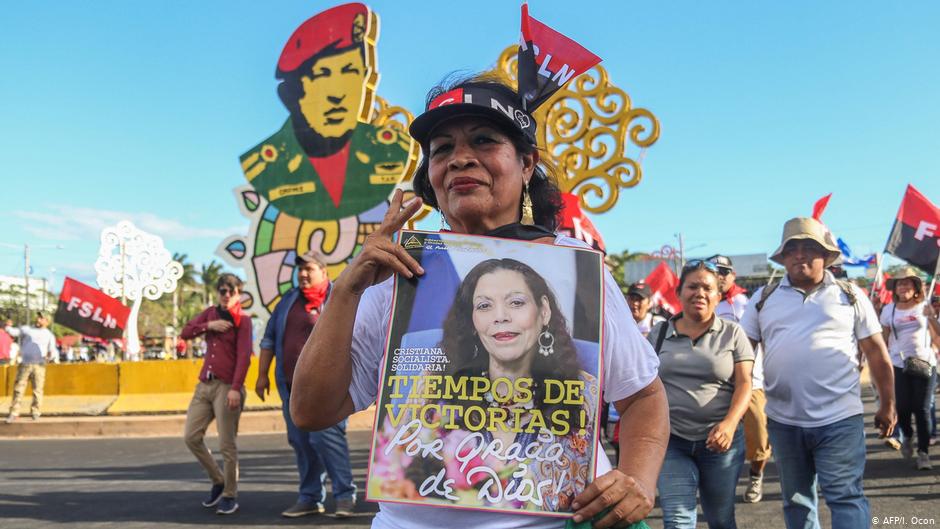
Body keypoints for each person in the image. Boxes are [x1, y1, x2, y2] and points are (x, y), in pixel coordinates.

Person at [289, 75, 669, 529]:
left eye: (484, 141)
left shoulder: (578, 271)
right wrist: (347, 290)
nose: (459, 159)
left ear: (526, 165)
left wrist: (638, 481)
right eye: (441, 149)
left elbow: (644, 396)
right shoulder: (396, 277)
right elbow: (311, 412)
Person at [740, 217, 896, 529]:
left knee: (845, 497)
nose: (800, 255)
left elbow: (877, 352)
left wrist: (888, 404)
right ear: (783, 257)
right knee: (797, 503)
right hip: (785, 422)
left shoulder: (850, 294)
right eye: (792, 249)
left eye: (810, 248)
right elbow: (743, 355)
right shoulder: (763, 299)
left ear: (825, 256)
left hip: (840, 420)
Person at [239, 3, 411, 222]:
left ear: (366, 78)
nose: (337, 94)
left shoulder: (394, 150)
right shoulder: (263, 166)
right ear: (293, 92)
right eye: (322, 74)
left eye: (350, 71)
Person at [653, 260, 754, 529]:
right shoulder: (658, 333)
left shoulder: (733, 333)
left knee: (720, 519)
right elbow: (645, 384)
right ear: (679, 292)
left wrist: (730, 425)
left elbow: (745, 383)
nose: (700, 293)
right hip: (671, 441)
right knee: (677, 519)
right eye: (692, 286)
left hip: (720, 443)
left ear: (718, 296)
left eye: (707, 288)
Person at [256, 250, 357, 518]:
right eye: (300, 269)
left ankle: (345, 495)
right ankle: (310, 497)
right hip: (291, 388)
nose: (302, 274)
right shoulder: (288, 301)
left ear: (323, 272)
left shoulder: (340, 298)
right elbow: (268, 340)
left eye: (308, 269)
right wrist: (262, 374)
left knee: (327, 439)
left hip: (330, 389)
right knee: (300, 441)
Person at [180, 273, 253, 515]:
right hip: (205, 385)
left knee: (226, 444)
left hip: (226, 387)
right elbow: (185, 332)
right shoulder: (210, 313)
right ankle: (218, 479)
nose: (226, 295)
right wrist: (207, 326)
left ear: (238, 294)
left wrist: (235, 388)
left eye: (231, 291)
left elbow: (244, 357)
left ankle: (230, 494)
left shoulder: (243, 320)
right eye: (222, 291)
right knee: (191, 436)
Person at [708, 254, 771, 503]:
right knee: (716, 437)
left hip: (752, 382)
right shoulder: (705, 302)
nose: (720, 276)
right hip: (716, 384)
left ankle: (756, 476)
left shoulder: (748, 302)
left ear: (733, 275)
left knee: (759, 435)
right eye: (716, 271)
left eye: (725, 272)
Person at [881, 267, 938, 470]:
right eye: (900, 283)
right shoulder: (889, 310)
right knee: (903, 408)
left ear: (916, 288)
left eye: (908, 283)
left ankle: (923, 453)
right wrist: (879, 362)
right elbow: (883, 339)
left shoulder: (925, 307)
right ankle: (908, 436)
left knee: (922, 409)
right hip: (899, 364)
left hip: (925, 363)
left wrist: (931, 317)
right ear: (895, 289)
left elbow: (938, 337)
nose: (903, 286)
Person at [4, 313, 58, 423]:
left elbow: (52, 350)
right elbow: (14, 331)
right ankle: (14, 412)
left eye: (41, 318)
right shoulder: (27, 329)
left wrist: (50, 356)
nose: (38, 319)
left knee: (37, 389)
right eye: (38, 317)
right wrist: (8, 326)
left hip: (39, 365)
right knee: (18, 389)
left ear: (47, 321)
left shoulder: (49, 335)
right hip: (25, 364)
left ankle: (35, 412)